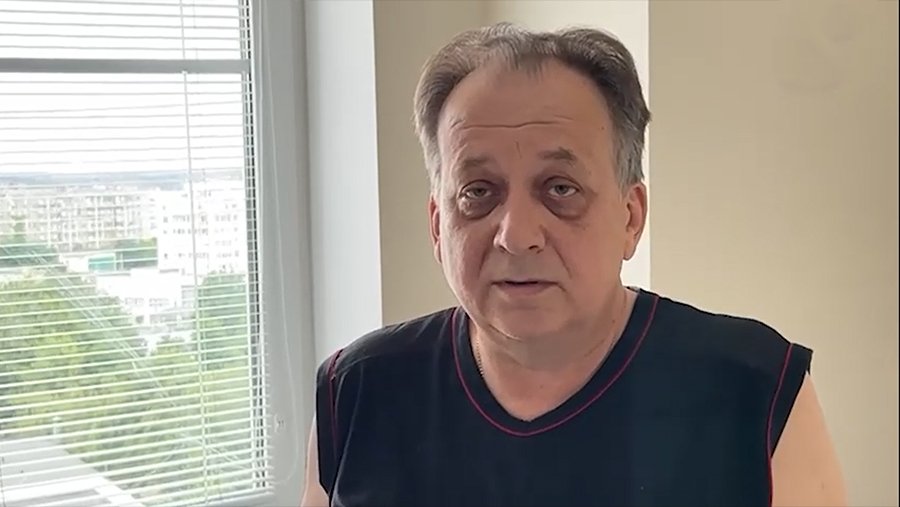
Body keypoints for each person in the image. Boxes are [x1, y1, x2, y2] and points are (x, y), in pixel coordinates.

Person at [300, 23, 846, 507]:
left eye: (560, 189)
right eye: (478, 191)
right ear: (439, 226)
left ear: (630, 217)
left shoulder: (757, 392)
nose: (517, 236)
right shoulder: (357, 393)